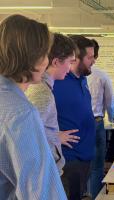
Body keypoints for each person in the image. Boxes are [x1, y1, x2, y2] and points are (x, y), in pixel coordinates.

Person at [0, 14, 66, 199]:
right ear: (32, 57)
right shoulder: (20, 113)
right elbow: (40, 190)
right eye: (45, 53)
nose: (47, 61)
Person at [26, 33, 79, 175]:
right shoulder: (41, 92)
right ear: (56, 62)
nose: (70, 68)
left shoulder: (43, 87)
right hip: (44, 172)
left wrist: (53, 133)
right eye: (70, 62)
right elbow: (29, 136)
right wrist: (55, 137)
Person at [53, 35, 96, 200]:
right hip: (69, 159)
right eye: (90, 57)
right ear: (75, 58)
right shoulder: (57, 81)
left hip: (84, 156)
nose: (93, 61)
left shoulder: (83, 79)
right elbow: (32, 119)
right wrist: (55, 136)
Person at [86, 39, 114, 199]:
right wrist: (111, 118)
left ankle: (83, 191)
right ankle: (95, 195)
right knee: (97, 165)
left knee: (81, 162)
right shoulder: (102, 75)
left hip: (76, 125)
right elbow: (109, 102)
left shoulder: (66, 75)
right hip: (96, 123)